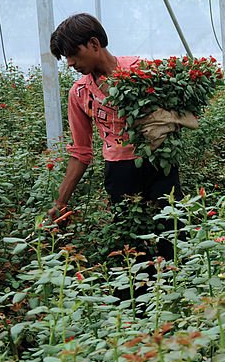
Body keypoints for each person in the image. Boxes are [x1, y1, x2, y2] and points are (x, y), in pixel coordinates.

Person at [47, 13, 181, 263]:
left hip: (160, 166)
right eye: (66, 58)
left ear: (94, 44)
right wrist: (60, 202)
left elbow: (178, 111)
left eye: (73, 54)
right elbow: (81, 152)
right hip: (119, 174)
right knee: (132, 248)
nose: (71, 63)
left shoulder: (142, 71)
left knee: (173, 238)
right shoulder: (79, 93)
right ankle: (137, 299)